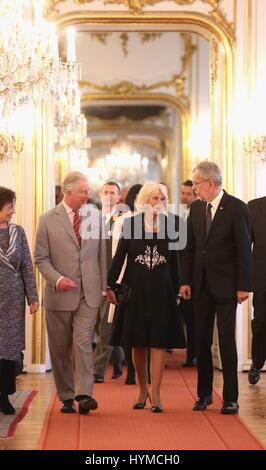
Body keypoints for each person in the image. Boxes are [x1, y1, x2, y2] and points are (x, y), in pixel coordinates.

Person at [180, 161, 252, 414]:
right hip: (199, 285)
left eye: (196, 184)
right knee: (200, 341)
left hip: (227, 286)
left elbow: (245, 250)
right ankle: (204, 394)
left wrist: (244, 286)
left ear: (210, 183)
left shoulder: (236, 207)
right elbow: (190, 247)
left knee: (225, 341)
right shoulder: (196, 208)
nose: (194, 188)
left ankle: (231, 397)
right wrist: (185, 280)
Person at [107, 181, 186, 412]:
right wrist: (110, 285)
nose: (159, 203)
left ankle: (157, 394)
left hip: (162, 292)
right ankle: (142, 389)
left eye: (163, 199)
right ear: (144, 201)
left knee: (159, 343)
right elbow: (119, 257)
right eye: (155, 198)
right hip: (136, 292)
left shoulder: (172, 225)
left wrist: (179, 288)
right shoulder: (130, 224)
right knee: (138, 344)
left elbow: (176, 262)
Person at [34, 171, 106, 414]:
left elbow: (102, 256)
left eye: (88, 190)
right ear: (68, 192)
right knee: (60, 347)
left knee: (83, 343)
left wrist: (105, 288)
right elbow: (41, 258)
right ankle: (66, 396)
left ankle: (84, 394)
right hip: (59, 294)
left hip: (89, 291)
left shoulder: (96, 217)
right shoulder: (46, 220)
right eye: (83, 191)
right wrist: (57, 279)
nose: (88, 195)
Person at [0, 187, 39, 414]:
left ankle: (4, 395)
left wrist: (33, 298)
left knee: (8, 348)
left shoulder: (18, 232)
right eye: (9, 207)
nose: (13, 211)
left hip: (13, 299)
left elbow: (26, 266)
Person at [110, 183, 143, 385]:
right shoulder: (123, 220)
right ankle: (130, 369)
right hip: (127, 280)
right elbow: (117, 252)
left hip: (148, 280)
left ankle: (144, 370)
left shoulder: (157, 220)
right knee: (129, 327)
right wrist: (116, 283)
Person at [94, 181, 125, 383]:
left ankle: (97, 371)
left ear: (119, 197)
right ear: (99, 194)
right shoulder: (92, 219)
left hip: (112, 280)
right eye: (105, 192)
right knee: (99, 325)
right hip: (92, 279)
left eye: (112, 192)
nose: (108, 195)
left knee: (106, 326)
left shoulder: (123, 220)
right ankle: (119, 358)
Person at [247, 196, 266, 385]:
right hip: (262, 278)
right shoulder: (254, 207)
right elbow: (245, 246)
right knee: (260, 322)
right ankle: (256, 363)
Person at [180, 180, 197, 367]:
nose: (185, 196)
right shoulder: (182, 214)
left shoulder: (198, 213)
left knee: (194, 318)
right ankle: (190, 353)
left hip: (195, 274)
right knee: (188, 317)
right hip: (183, 272)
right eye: (183, 193)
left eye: (188, 193)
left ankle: (194, 353)